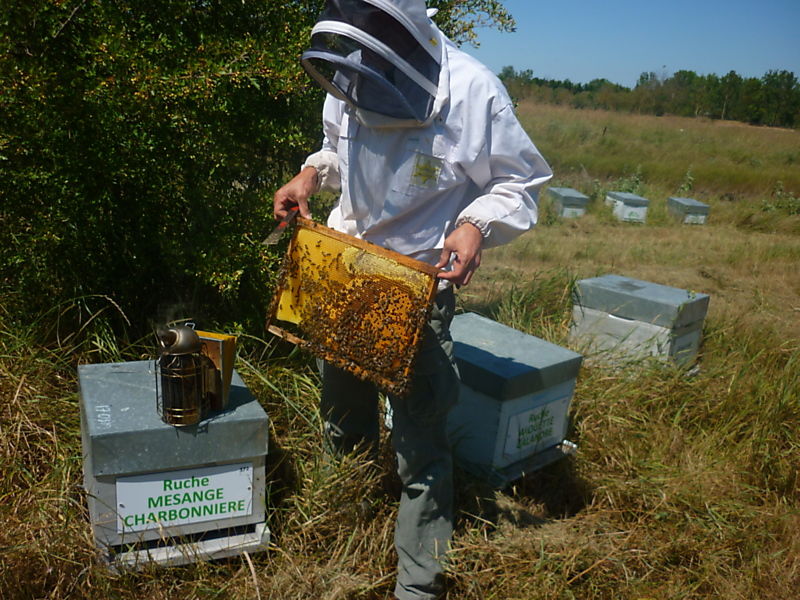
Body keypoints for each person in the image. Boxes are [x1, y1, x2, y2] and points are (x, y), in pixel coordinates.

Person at [273, 1, 552, 598]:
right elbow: (336, 150)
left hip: (415, 288)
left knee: (420, 443)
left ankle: (419, 582)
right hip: (345, 271)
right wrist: (309, 176)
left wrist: (475, 224)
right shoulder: (354, 71)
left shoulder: (474, 91)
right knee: (342, 418)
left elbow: (519, 181)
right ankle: (341, 526)